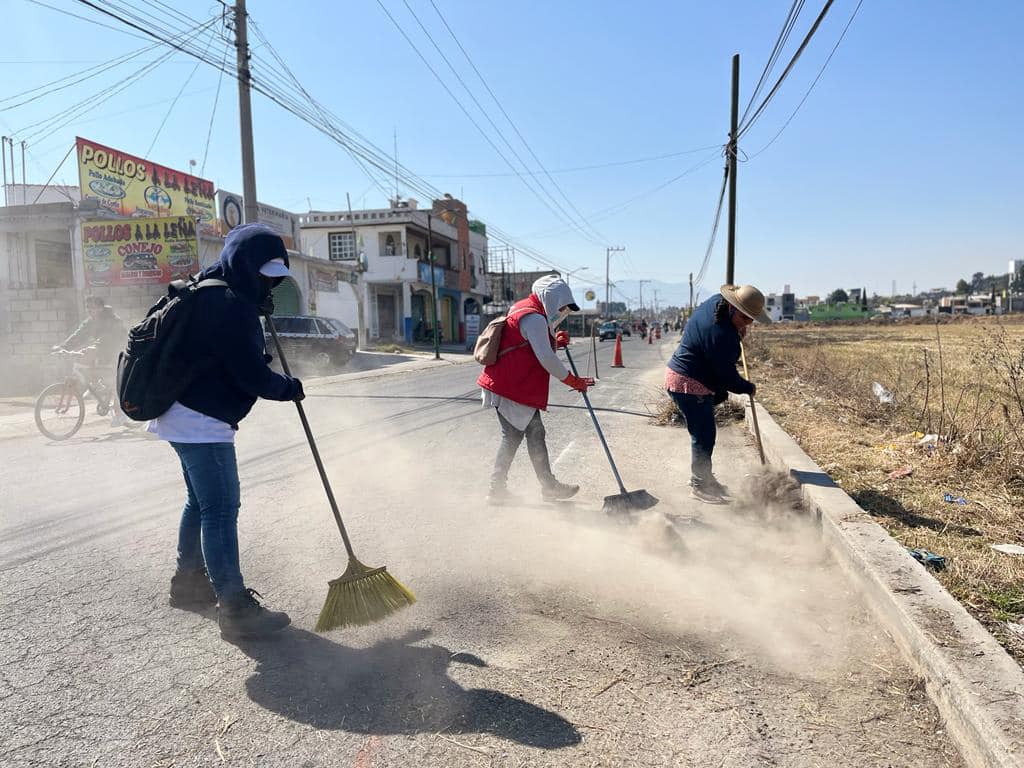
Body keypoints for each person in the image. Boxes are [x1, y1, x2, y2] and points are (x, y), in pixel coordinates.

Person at [148, 223, 304, 640]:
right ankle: (235, 608)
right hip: (202, 418)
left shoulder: (209, 288)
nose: (267, 282)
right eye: (263, 275)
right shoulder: (229, 305)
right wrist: (288, 387)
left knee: (200, 503)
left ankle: (188, 583)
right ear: (243, 264)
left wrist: (255, 307)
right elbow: (252, 375)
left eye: (273, 277)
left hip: (179, 414)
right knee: (220, 508)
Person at [478, 275, 594, 505]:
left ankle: (542, 486)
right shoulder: (533, 317)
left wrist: (554, 341)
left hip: (513, 385)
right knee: (513, 436)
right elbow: (546, 358)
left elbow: (528, 345)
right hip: (511, 387)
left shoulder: (527, 309)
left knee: (533, 433)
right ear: (549, 299)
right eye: (560, 306)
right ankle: (499, 490)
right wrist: (573, 381)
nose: (562, 311)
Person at [665, 284, 770, 504]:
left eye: (752, 320)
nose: (748, 324)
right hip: (689, 383)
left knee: (704, 431)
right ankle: (700, 485)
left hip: (682, 374)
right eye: (745, 318)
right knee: (703, 435)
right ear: (733, 308)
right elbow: (726, 377)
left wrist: (737, 330)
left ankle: (706, 479)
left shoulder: (717, 303)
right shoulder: (722, 336)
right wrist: (747, 387)